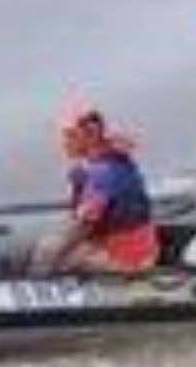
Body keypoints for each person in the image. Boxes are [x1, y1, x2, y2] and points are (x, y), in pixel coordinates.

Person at [33, 107, 160, 275]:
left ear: (91, 135)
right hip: (132, 248)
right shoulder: (102, 161)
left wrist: (50, 255)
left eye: (71, 135)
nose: (64, 142)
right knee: (52, 246)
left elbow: (84, 225)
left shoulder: (102, 174)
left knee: (49, 255)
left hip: (126, 258)